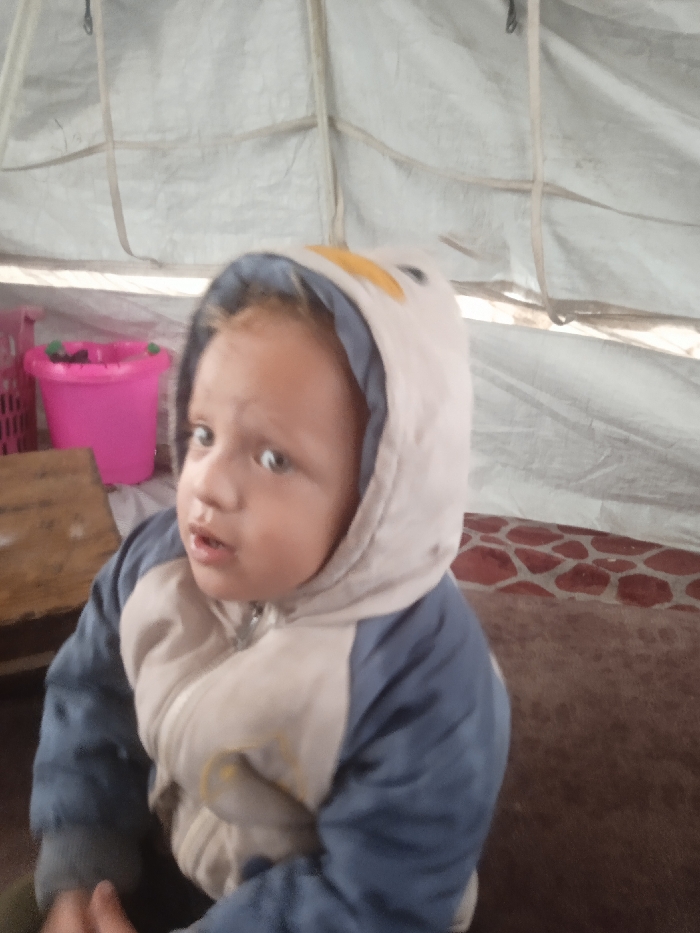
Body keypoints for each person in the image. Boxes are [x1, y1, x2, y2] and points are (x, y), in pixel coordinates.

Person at [26, 246, 510, 933]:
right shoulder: (155, 563)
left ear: (382, 492)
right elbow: (92, 695)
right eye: (203, 433)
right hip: (166, 848)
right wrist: (81, 865)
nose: (207, 484)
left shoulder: (426, 682)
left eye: (273, 458)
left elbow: (379, 894)